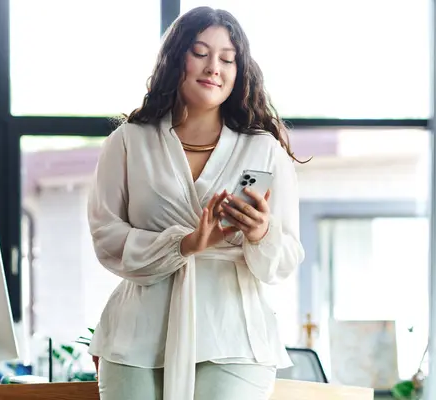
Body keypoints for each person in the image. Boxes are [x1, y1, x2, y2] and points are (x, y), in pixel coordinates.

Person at [87, 6, 305, 400]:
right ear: (176, 58)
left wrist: (260, 232)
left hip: (233, 334)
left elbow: (287, 256)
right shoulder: (128, 142)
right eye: (200, 53)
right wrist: (184, 244)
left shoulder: (264, 150)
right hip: (138, 334)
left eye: (227, 58)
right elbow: (106, 237)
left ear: (240, 70)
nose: (214, 68)